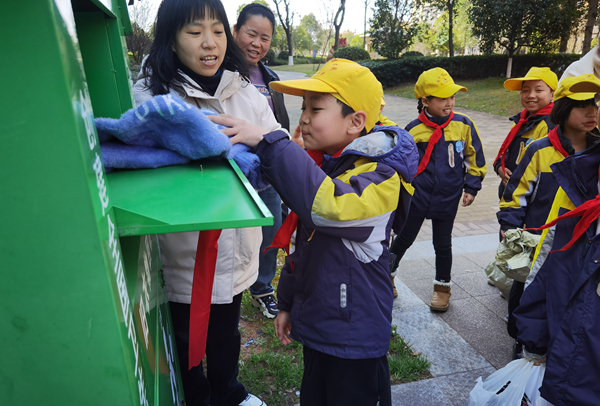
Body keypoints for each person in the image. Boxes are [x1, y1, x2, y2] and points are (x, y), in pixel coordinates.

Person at [209, 59, 419, 406]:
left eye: (315, 108)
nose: (304, 118)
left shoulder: (381, 178)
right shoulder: (329, 165)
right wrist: (288, 304)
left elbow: (326, 208)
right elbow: (303, 249)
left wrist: (271, 144)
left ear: (356, 122)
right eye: (303, 107)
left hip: (355, 339)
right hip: (323, 329)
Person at [134, 0, 282, 405]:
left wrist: (257, 137)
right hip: (182, 254)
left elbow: (278, 146)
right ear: (171, 39)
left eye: (216, 31)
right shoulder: (153, 96)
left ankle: (228, 391)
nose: (209, 43)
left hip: (236, 248)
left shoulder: (246, 91)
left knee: (225, 330)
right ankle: (194, 396)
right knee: (184, 335)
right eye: (194, 32)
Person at [497, 74, 600, 359]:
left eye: (595, 104)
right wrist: (511, 230)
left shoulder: (597, 151)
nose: (591, 112)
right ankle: (522, 342)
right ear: (563, 108)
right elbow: (515, 196)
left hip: (579, 246)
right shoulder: (540, 149)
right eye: (582, 105)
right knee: (526, 295)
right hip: (537, 243)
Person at [389, 67, 487, 312]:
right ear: (425, 101)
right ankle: (385, 277)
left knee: (442, 244)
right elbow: (402, 165)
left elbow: (474, 157)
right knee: (404, 239)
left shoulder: (463, 124)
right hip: (418, 196)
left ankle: (442, 288)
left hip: (448, 196)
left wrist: (471, 187)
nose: (449, 102)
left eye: (452, 97)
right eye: (443, 98)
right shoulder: (413, 130)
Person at [233, 3, 289, 319]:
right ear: (235, 31)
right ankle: (228, 289)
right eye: (251, 34)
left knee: (271, 225)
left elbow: (279, 121)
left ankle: (262, 289)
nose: (257, 44)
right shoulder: (219, 70)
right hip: (234, 165)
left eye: (264, 38)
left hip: (266, 166)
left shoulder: (270, 76)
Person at [494, 67, 558, 199]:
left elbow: (545, 168)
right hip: (512, 190)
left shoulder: (551, 124)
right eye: (525, 90)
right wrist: (500, 167)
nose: (531, 95)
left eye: (538, 90)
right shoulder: (521, 120)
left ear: (552, 94)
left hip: (531, 195)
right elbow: (508, 149)